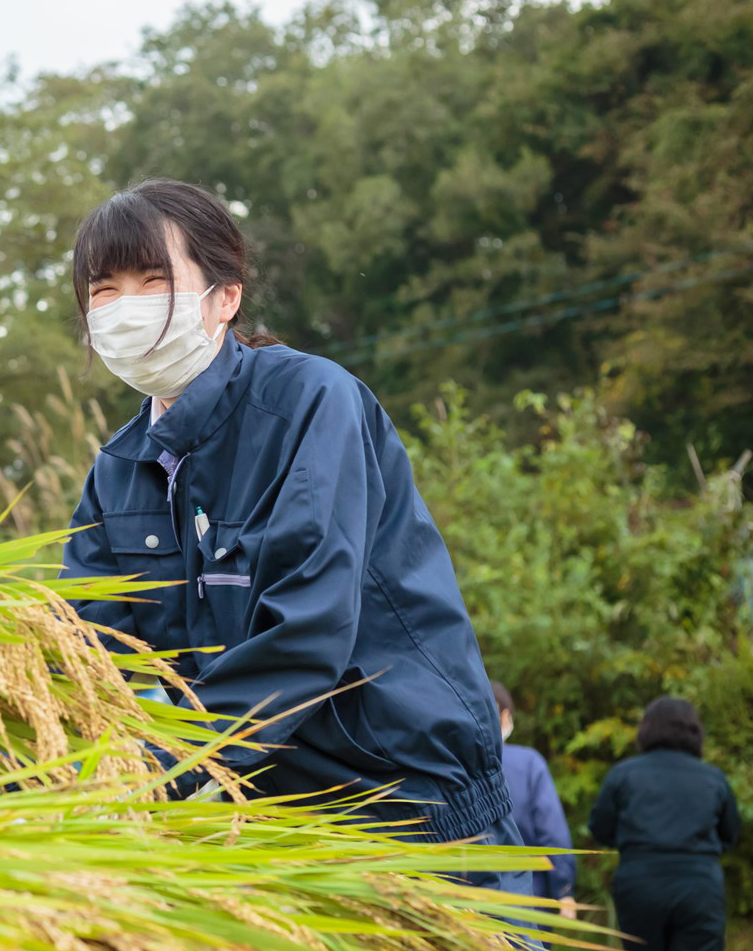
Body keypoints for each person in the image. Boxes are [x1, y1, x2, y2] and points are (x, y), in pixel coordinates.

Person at [58, 179, 522, 889]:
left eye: (153, 280)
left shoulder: (311, 403)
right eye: (104, 289)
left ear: (225, 297)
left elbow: (305, 631)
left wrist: (156, 770)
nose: (126, 307)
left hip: (402, 807)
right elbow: (91, 654)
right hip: (262, 818)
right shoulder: (117, 469)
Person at [591, 697, 740, 951]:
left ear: (647, 728)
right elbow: (731, 834)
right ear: (695, 731)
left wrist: (636, 845)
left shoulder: (624, 774)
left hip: (640, 884)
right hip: (699, 886)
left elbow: (600, 828)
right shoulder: (713, 778)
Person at [492, 681, 578, 916]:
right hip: (528, 894)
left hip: (464, 897)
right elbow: (551, 830)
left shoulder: (451, 765)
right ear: (505, 716)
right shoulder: (529, 763)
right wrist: (564, 889)